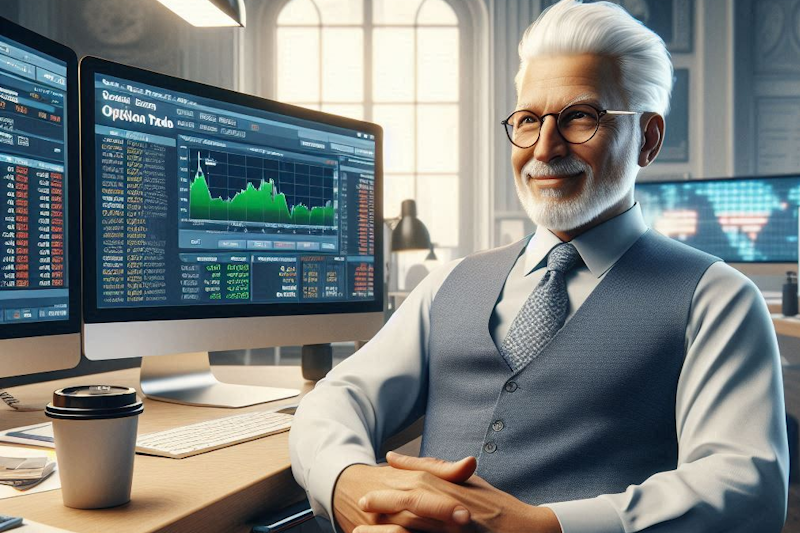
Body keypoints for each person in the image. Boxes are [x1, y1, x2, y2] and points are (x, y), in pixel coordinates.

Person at [289, 1, 789, 532]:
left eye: (579, 117)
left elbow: (744, 485)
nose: (544, 148)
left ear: (647, 139)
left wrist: (545, 526)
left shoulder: (716, 298)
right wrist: (346, 483)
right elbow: (340, 397)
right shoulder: (449, 284)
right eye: (528, 120)